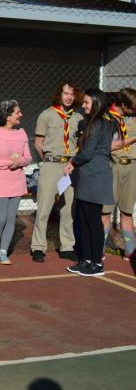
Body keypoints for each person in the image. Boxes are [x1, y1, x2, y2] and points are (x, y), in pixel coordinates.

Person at [31, 82, 84, 263]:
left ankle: (67, 246)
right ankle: (38, 247)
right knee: (44, 208)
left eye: (72, 94)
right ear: (59, 94)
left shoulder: (78, 118)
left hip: (69, 166)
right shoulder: (46, 115)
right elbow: (38, 142)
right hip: (51, 165)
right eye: (66, 93)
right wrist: (47, 160)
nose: (69, 97)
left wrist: (73, 162)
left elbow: (79, 143)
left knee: (68, 209)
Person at [64, 89, 114, 277]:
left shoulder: (99, 124)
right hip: (87, 177)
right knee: (83, 219)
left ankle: (96, 263)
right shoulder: (91, 123)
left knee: (93, 221)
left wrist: (72, 162)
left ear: (96, 103)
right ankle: (85, 259)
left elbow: (87, 152)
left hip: (96, 177)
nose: (83, 105)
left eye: (86, 102)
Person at [0, 100, 31, 265]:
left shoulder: (22, 133)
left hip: (16, 181)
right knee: (0, 219)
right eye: (17, 112)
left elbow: (28, 157)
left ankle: (3, 252)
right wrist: (9, 163)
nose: (21, 115)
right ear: (7, 115)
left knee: (11, 219)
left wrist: (21, 162)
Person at [103, 88, 136, 260]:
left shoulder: (134, 118)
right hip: (112, 165)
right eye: (133, 108)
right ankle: (99, 250)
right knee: (106, 211)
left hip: (132, 167)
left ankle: (130, 251)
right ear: (123, 105)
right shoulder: (108, 118)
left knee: (127, 211)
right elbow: (108, 146)